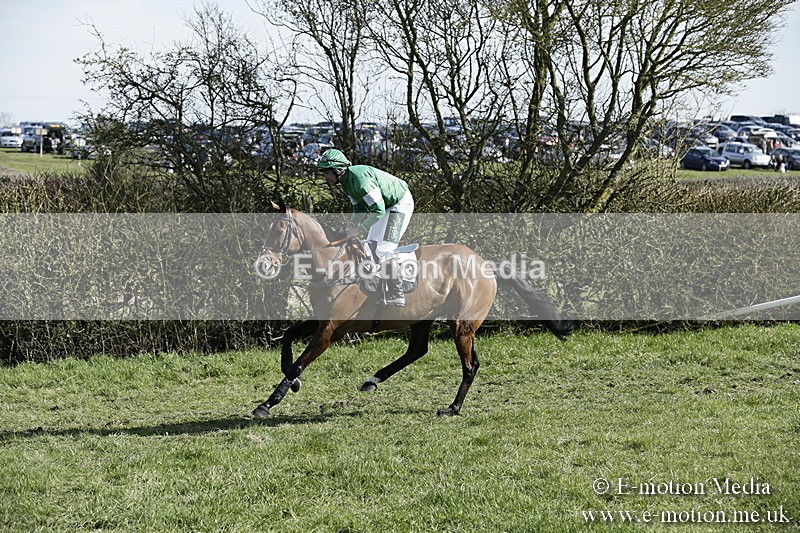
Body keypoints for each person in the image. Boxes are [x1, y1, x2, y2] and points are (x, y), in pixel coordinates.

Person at [317, 148, 414, 306]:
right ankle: (378, 286)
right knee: (370, 245)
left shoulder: (360, 180)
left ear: (337, 170)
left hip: (399, 204)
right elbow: (360, 209)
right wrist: (351, 227)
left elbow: (378, 210)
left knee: (384, 249)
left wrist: (359, 229)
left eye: (327, 173)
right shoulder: (346, 183)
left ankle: (397, 293)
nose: (326, 177)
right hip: (384, 206)